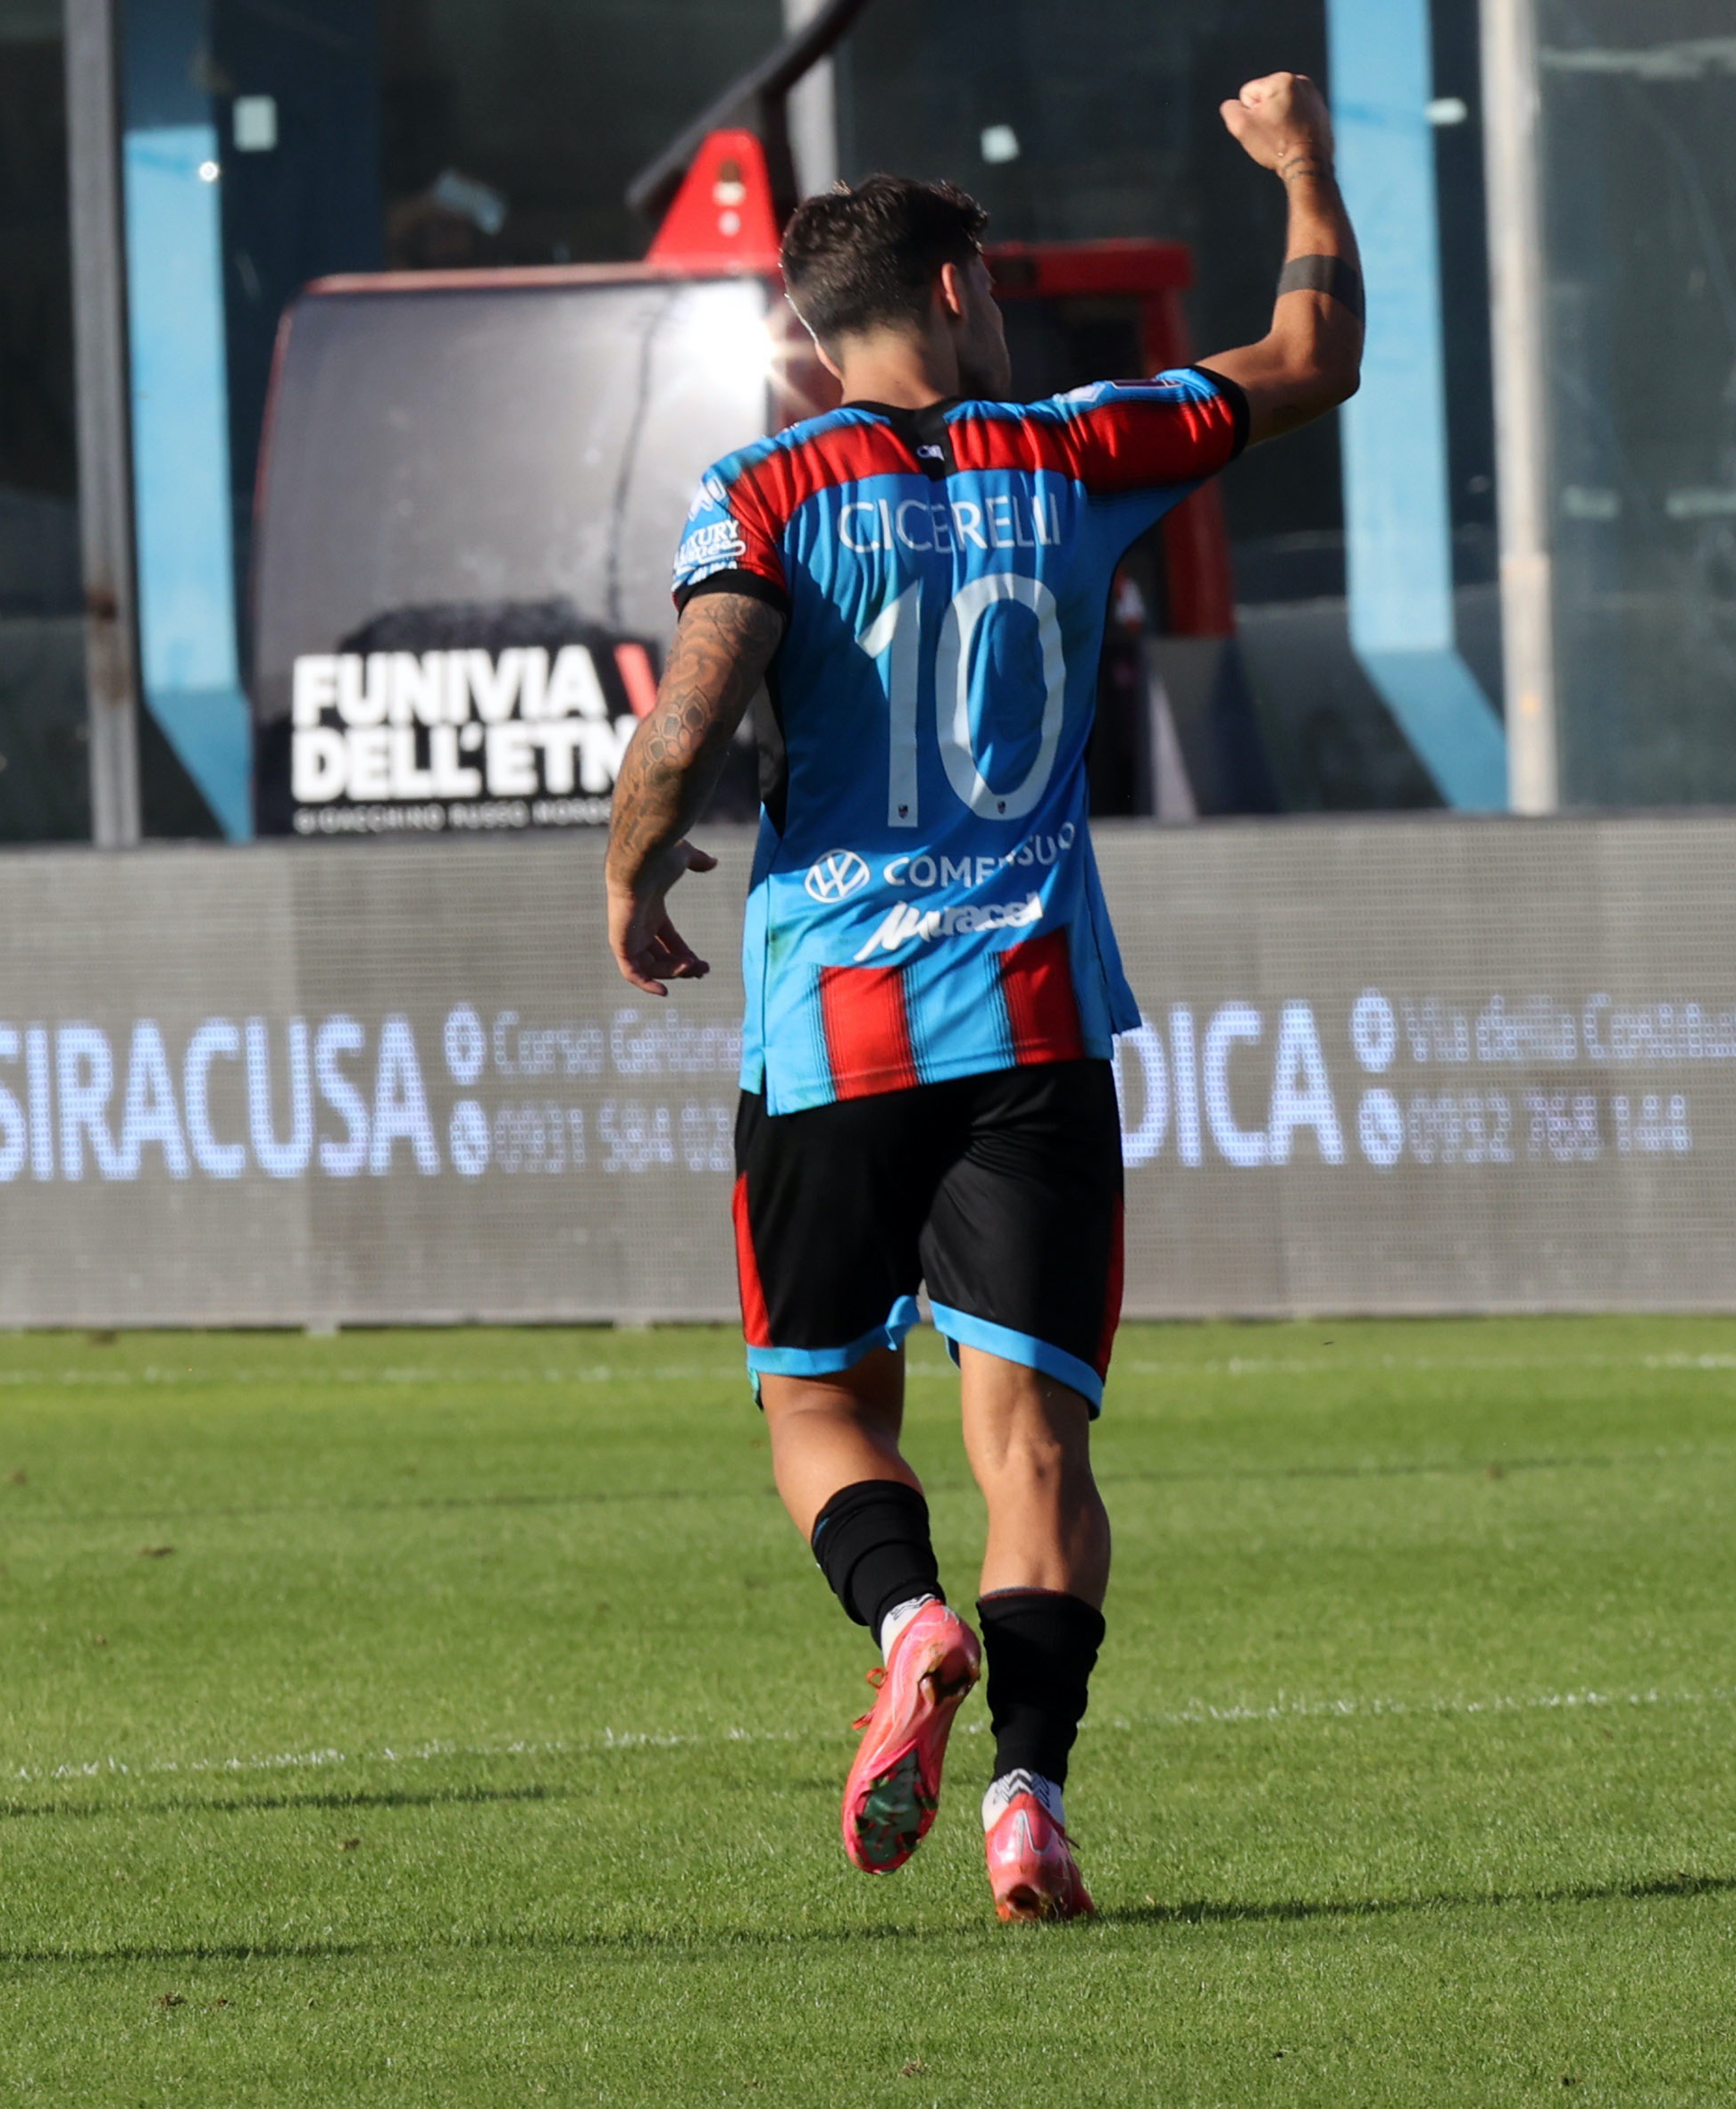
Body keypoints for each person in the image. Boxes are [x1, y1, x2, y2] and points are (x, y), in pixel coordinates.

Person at [601, 73, 1360, 1921]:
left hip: (829, 1029)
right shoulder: (1074, 450)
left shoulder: (766, 488)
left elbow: (686, 722)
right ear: (952, 286)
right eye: (992, 280)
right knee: (1033, 1442)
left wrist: (631, 873)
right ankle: (1029, 1794)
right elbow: (1309, 359)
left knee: (815, 1408)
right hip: (1028, 1026)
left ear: (817, 323)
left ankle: (907, 1619)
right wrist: (1300, 167)